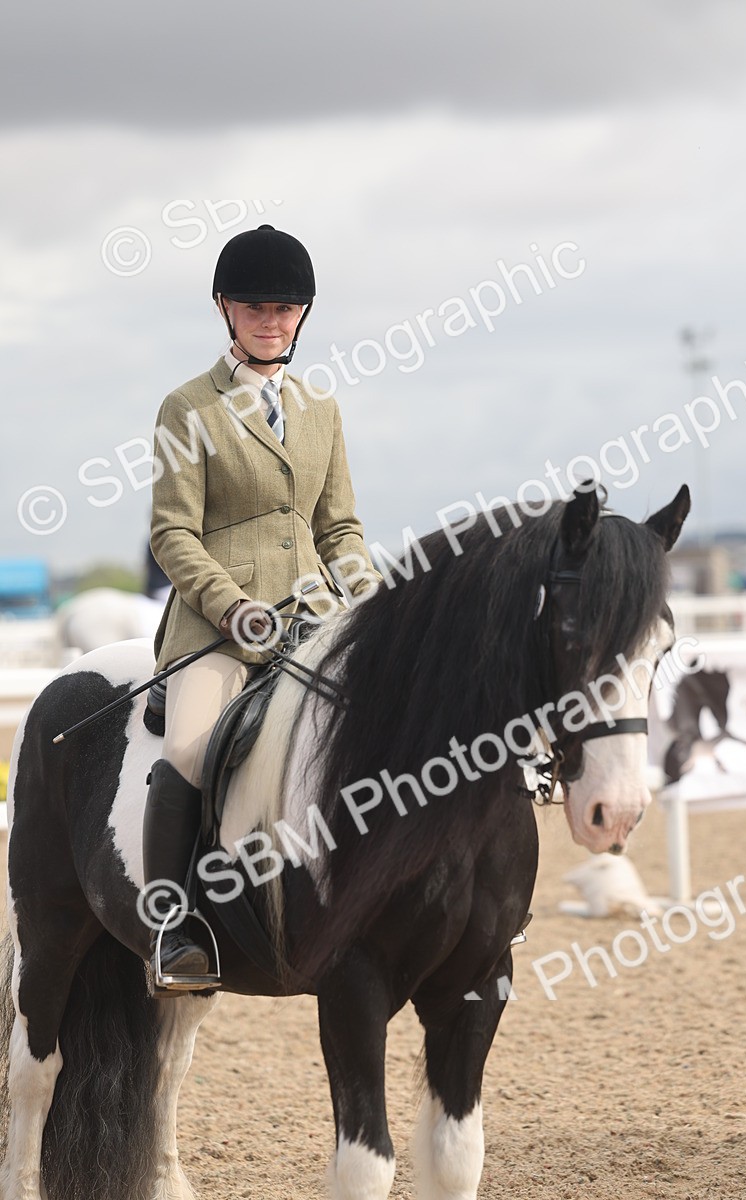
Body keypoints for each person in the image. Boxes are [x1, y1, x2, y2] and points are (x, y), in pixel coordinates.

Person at [144, 224, 381, 990]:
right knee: (188, 746)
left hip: (313, 616)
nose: (270, 320)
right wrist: (230, 606)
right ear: (225, 308)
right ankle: (171, 926)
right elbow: (172, 532)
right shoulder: (189, 408)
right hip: (219, 627)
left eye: (285, 307)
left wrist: (370, 605)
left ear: (303, 313)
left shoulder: (320, 407)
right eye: (255, 306)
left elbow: (337, 526)